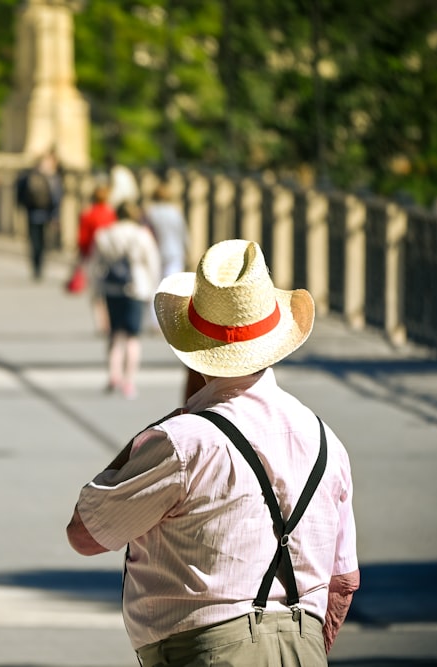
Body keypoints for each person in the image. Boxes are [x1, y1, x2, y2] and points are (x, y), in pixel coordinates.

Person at [67, 239, 359, 664]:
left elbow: (85, 533)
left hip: (206, 652)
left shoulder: (182, 442)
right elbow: (344, 580)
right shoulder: (326, 441)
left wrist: (145, 439)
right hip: (304, 648)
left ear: (195, 352)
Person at [91, 206, 161, 398]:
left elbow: (96, 264)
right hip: (136, 288)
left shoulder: (104, 235)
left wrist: (96, 292)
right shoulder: (142, 235)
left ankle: (114, 375)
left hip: (112, 288)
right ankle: (129, 381)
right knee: (132, 336)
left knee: (115, 334)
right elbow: (152, 263)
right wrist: (153, 288)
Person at [145, 181, 189, 330]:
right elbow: (183, 234)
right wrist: (187, 250)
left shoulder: (149, 212)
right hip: (175, 252)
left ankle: (155, 322)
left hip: (155, 252)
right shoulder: (175, 212)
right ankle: (173, 321)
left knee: (155, 287)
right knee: (174, 287)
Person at [76, 184, 118, 334]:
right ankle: (111, 319)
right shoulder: (111, 214)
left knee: (95, 292)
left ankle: (101, 323)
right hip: (111, 256)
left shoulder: (87, 215)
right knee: (109, 288)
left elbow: (83, 239)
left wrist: (81, 256)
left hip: (93, 256)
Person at [16, 152, 62, 281]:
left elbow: (20, 193)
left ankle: (36, 266)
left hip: (31, 212)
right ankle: (40, 265)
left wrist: (21, 207)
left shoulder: (29, 175)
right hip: (46, 214)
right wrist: (55, 216)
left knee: (34, 240)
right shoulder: (53, 178)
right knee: (42, 241)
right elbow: (56, 199)